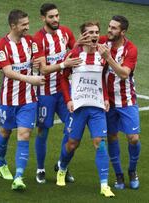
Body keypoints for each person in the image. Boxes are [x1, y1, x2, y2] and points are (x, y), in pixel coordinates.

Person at [56, 21, 115, 198]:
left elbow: (102, 78)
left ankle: (104, 185)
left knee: (100, 143)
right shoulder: (74, 54)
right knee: (72, 144)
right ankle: (62, 168)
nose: (95, 35)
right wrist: (68, 100)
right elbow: (63, 79)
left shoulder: (103, 54)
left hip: (96, 108)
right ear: (83, 35)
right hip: (79, 107)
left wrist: (105, 98)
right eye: (90, 32)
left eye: (97, 32)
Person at [32, 3, 84, 184]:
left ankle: (62, 164)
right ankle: (40, 169)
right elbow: (45, 69)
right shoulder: (37, 40)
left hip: (64, 92)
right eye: (51, 17)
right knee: (42, 131)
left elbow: (76, 51)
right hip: (45, 93)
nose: (56, 19)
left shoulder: (66, 33)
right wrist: (64, 64)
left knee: (72, 130)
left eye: (57, 16)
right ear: (43, 18)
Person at [0, 9, 45, 190]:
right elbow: (7, 71)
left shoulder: (30, 42)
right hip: (8, 99)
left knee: (24, 135)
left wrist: (37, 65)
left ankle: (19, 177)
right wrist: (31, 79)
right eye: (23, 24)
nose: (27, 27)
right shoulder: (2, 45)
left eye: (27, 23)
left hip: (29, 99)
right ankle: (1, 163)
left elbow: (37, 62)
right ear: (13, 26)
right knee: (5, 133)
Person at [98, 15, 141, 190]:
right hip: (107, 101)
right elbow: (82, 41)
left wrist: (108, 58)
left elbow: (124, 74)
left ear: (123, 32)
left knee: (133, 138)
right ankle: (119, 175)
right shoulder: (102, 42)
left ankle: (132, 170)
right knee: (112, 136)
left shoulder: (131, 49)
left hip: (126, 100)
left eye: (114, 28)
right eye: (109, 26)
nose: (109, 30)